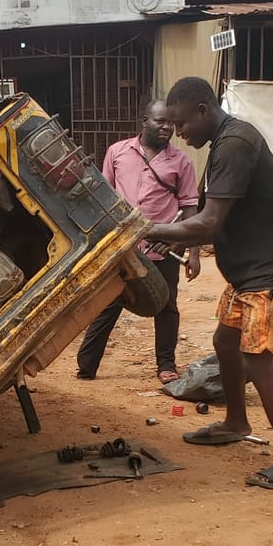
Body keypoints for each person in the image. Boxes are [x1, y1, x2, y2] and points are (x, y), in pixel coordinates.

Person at [149, 76, 273, 490]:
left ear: (203, 110)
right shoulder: (224, 142)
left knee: (257, 357)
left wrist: (145, 229)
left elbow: (209, 222)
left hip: (270, 268)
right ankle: (236, 422)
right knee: (225, 341)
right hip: (251, 268)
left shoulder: (234, 143)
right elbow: (211, 223)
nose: (180, 135)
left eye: (182, 125)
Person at [76, 99, 201, 384]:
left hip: (163, 248)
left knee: (167, 306)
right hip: (123, 247)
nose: (167, 128)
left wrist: (191, 252)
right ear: (145, 121)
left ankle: (166, 366)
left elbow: (191, 207)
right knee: (109, 303)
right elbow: (103, 198)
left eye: (171, 123)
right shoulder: (117, 152)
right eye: (160, 122)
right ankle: (87, 364)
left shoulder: (181, 161)